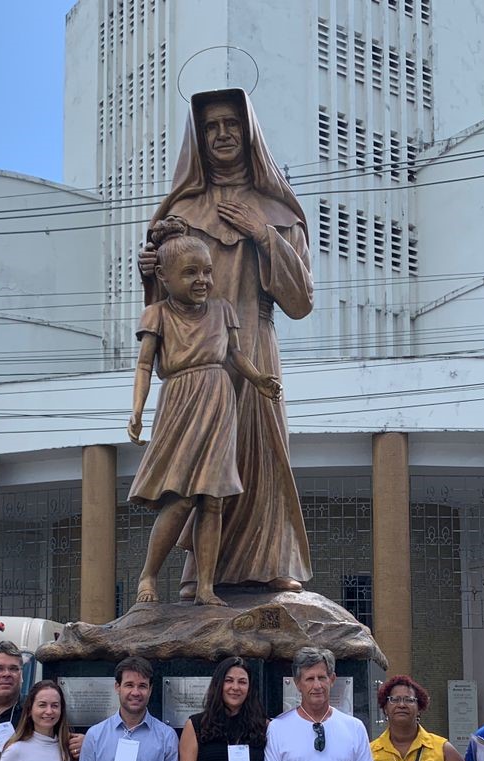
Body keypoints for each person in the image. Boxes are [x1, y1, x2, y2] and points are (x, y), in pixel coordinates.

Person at [140, 87, 314, 594]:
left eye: (231, 125)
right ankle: (199, 574)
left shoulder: (277, 210)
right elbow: (162, 302)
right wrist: (150, 272)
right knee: (203, 461)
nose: (221, 135)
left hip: (255, 341)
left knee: (262, 452)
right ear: (199, 137)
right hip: (200, 354)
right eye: (211, 126)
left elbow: (301, 301)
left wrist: (265, 234)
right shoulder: (183, 210)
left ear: (248, 133)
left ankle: (268, 559)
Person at [127, 221, 280, 606]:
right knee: (178, 497)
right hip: (180, 400)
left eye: (207, 271)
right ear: (163, 277)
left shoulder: (222, 309)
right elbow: (144, 365)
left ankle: (206, 587)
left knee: (213, 498)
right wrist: (137, 410)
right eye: (190, 272)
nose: (202, 280)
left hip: (218, 399)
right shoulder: (156, 315)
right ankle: (148, 577)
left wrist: (259, 379)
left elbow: (234, 355)